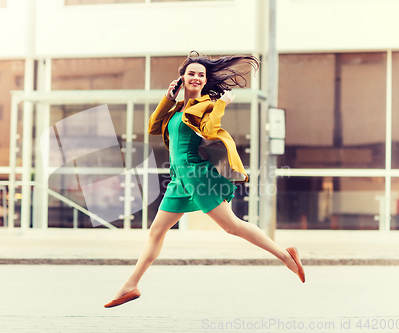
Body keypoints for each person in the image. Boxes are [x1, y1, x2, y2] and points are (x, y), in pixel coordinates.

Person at [104, 51, 305, 308]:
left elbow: (210, 131)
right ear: (182, 78)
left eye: (201, 74)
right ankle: (130, 285)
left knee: (232, 226)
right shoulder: (176, 109)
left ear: (205, 80)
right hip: (179, 179)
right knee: (156, 231)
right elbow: (153, 128)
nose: (197, 77)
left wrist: (221, 105)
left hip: (196, 175)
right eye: (192, 74)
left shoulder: (207, 105)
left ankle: (285, 256)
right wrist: (167, 98)